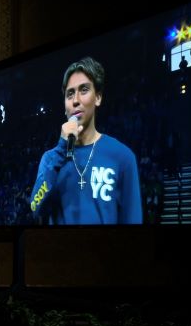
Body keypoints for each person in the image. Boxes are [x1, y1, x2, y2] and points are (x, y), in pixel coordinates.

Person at [29, 57, 142, 224]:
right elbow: (34, 208)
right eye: (70, 94)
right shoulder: (50, 159)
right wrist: (61, 149)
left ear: (98, 97)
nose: (75, 100)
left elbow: (133, 221)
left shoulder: (123, 157)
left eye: (83, 90)